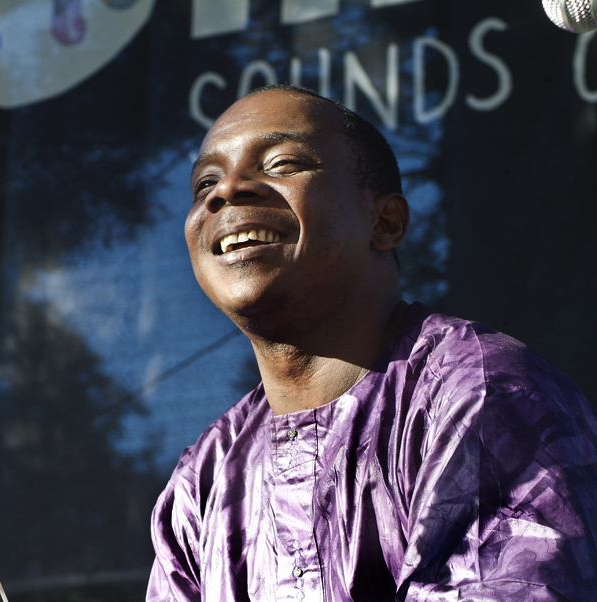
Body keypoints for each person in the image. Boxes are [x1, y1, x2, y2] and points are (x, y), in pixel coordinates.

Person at [146, 84, 597, 601]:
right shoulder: (203, 481)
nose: (226, 192)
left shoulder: (479, 396)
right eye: (206, 183)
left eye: (281, 163)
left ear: (385, 223)